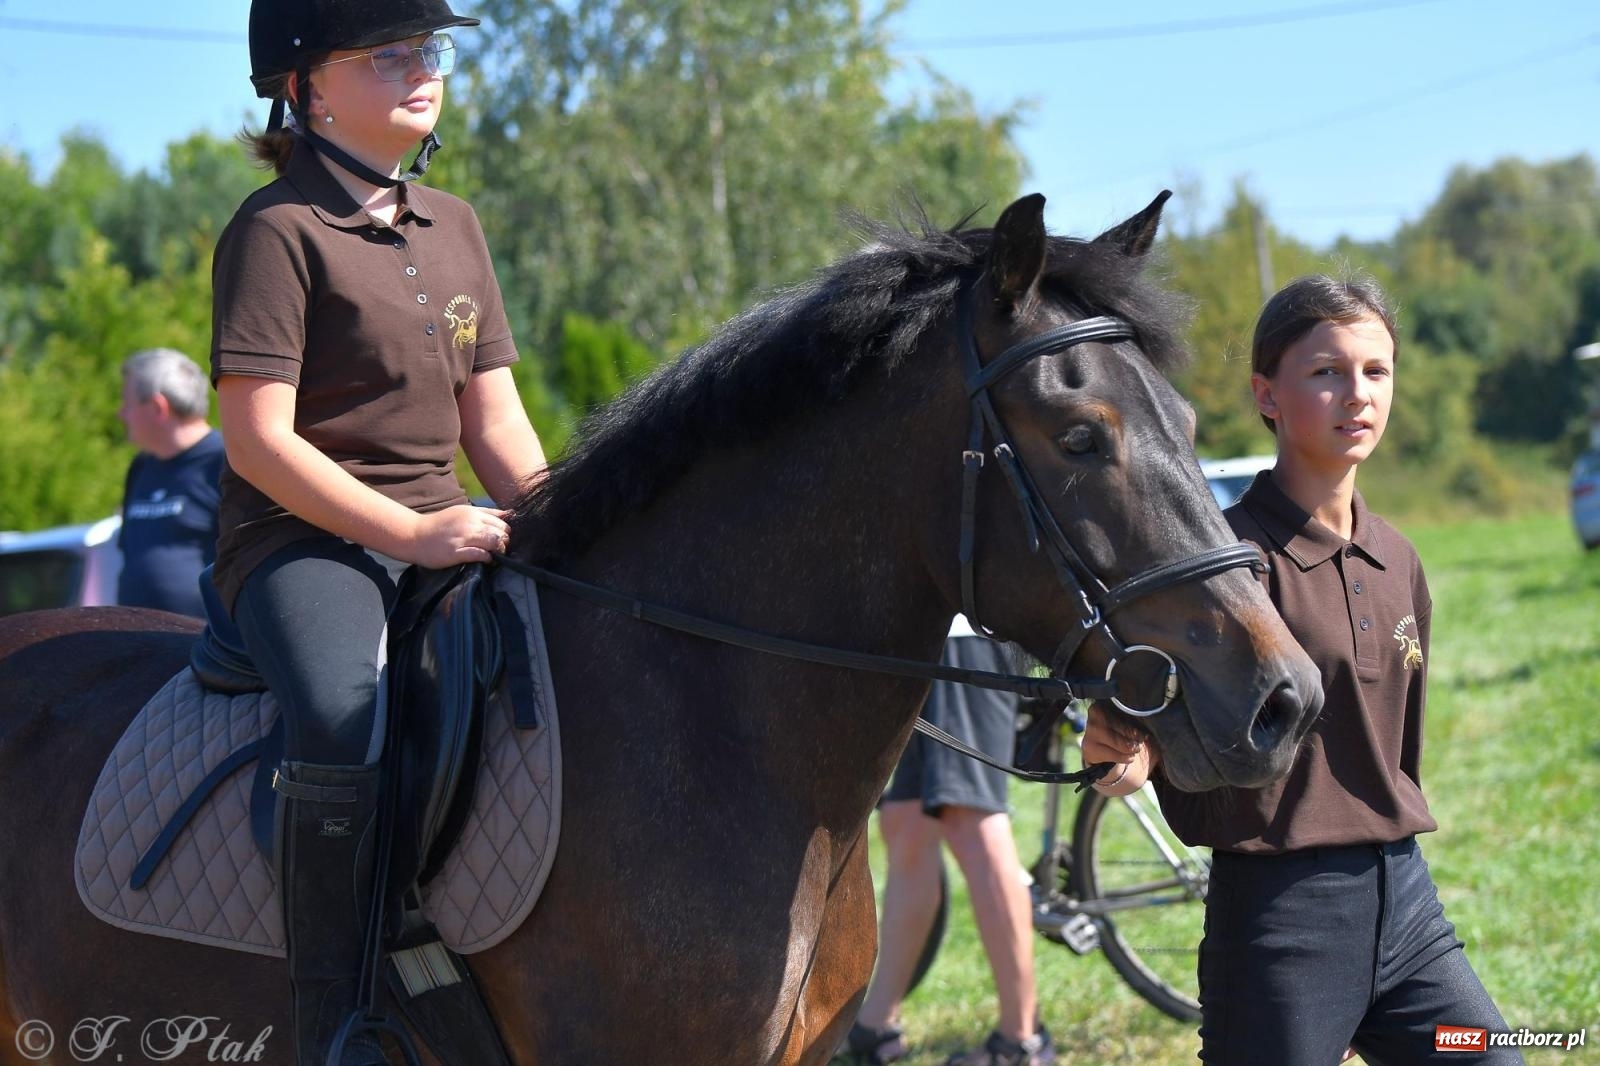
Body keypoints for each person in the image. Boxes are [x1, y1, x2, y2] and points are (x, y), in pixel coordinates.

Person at [214, 2, 546, 1061]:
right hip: (301, 543)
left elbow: (493, 420)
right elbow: (259, 443)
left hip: (443, 526)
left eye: (430, 50)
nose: (422, 69)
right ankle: (334, 1015)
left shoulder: (456, 224)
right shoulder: (275, 230)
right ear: (307, 85)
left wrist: (565, 525)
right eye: (389, 54)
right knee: (344, 708)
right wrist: (410, 533)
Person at [1083, 274, 1521, 1065]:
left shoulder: (1400, 559)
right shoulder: (1223, 563)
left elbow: (1396, 747)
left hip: (1407, 908)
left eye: (1376, 371)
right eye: (1327, 371)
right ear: (1268, 395)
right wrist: (1132, 754)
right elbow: (1155, 726)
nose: (1357, 393)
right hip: (1280, 926)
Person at [846, 617, 1055, 1066]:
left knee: (971, 818)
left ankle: (1022, 1040)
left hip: (964, 630)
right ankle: (874, 1025)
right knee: (907, 821)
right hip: (924, 631)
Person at [115, 347, 225, 617]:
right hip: (136, 644)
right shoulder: (141, 467)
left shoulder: (227, 460)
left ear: (157, 407)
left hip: (205, 649)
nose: (121, 414)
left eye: (127, 404)